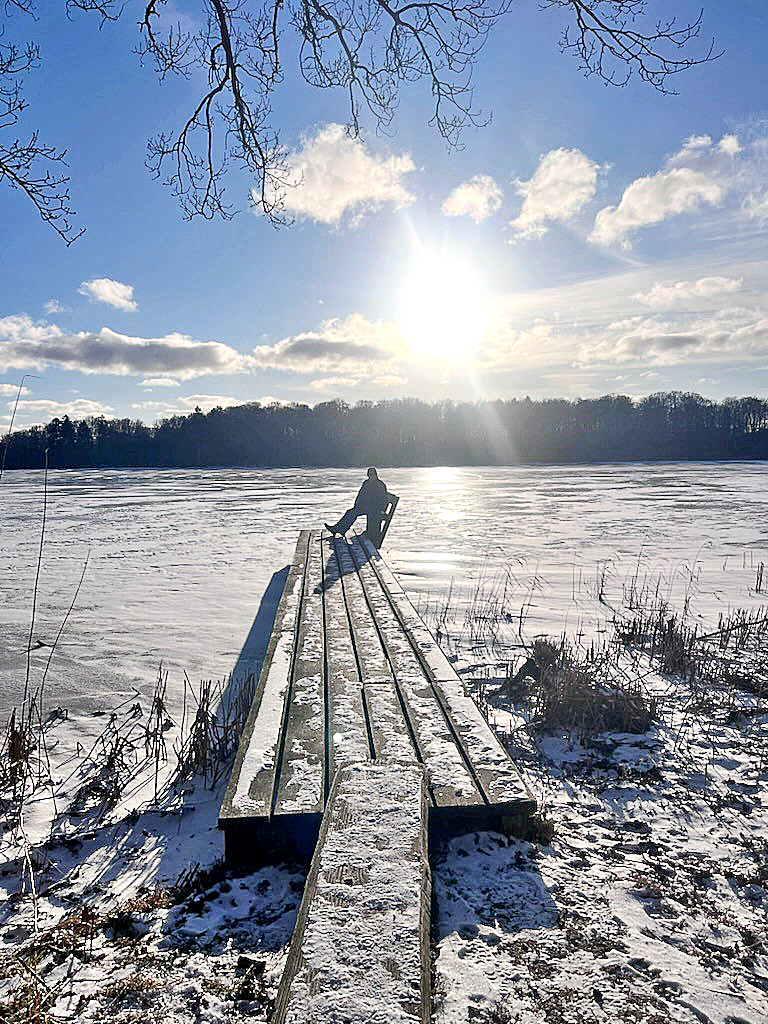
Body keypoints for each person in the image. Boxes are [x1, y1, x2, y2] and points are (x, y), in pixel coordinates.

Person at [325, 467, 389, 537]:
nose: (371, 477)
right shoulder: (366, 483)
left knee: (356, 512)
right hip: (366, 507)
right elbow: (360, 495)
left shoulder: (380, 485)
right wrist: (357, 505)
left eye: (372, 475)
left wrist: (382, 510)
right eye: (370, 475)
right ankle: (339, 529)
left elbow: (384, 499)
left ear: (375, 475)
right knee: (350, 512)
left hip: (375, 509)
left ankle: (340, 529)